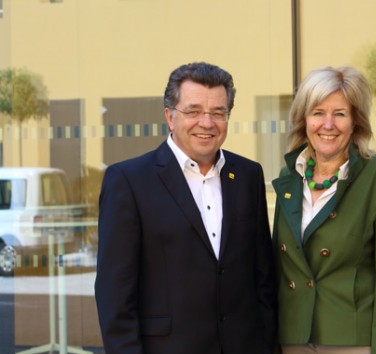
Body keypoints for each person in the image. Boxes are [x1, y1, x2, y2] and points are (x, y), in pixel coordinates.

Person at [94, 62, 277, 354]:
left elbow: (262, 278)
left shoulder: (247, 175)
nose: (207, 122)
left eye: (218, 112)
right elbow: (114, 295)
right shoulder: (129, 181)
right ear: (170, 116)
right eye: (193, 111)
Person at [272, 66, 376, 354]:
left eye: (340, 114)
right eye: (318, 112)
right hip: (293, 338)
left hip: (354, 342)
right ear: (304, 120)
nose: (328, 124)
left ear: (356, 122)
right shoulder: (289, 177)